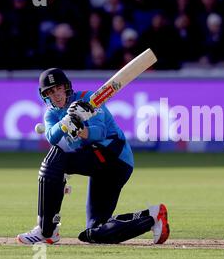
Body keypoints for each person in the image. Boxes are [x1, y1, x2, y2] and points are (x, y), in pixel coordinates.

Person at [17, 68, 170, 245]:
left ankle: (46, 231)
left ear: (66, 87)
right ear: (45, 96)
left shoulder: (88, 99)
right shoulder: (51, 114)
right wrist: (66, 122)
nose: (56, 95)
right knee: (95, 232)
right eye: (51, 92)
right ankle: (152, 217)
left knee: (55, 160)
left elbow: (100, 132)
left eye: (59, 88)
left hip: (115, 157)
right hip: (98, 167)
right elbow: (52, 137)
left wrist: (81, 129)